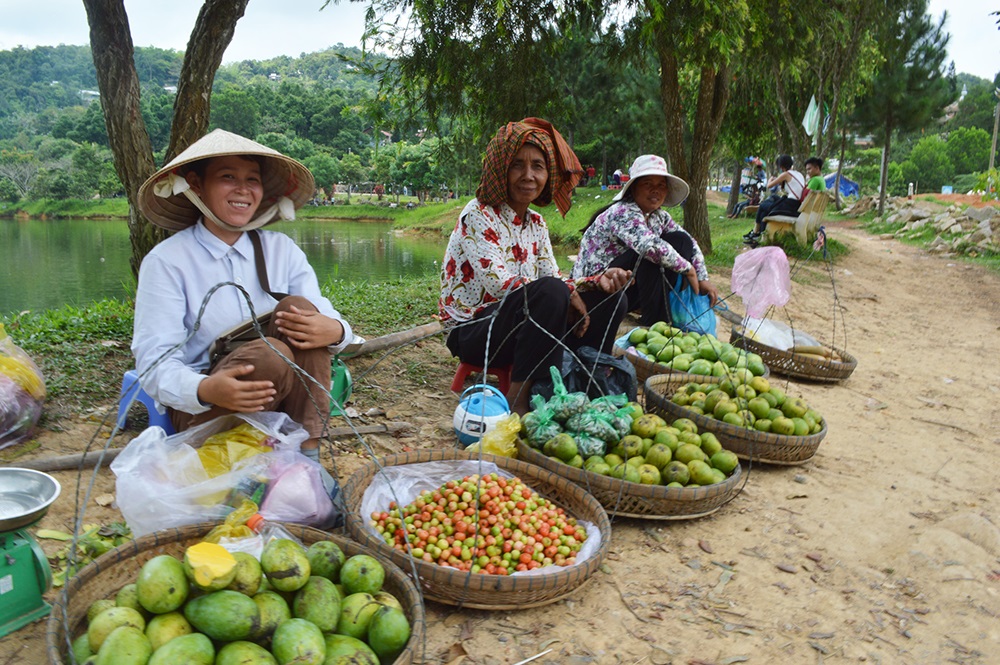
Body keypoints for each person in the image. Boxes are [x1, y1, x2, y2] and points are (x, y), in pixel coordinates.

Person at [132, 129, 354, 464]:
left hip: (285, 400)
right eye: (227, 177)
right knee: (272, 354)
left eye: (252, 179)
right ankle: (234, 454)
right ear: (195, 185)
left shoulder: (282, 251)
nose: (243, 189)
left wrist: (336, 330)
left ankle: (308, 454)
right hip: (209, 406)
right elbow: (154, 364)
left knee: (299, 310)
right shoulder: (167, 262)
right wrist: (204, 390)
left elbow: (322, 315)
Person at [439, 117, 631, 414]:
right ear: (500, 169)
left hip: (521, 320)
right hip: (475, 331)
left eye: (538, 166)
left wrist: (596, 282)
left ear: (547, 175)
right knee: (552, 293)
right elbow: (500, 285)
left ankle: (581, 381)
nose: (528, 175)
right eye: (517, 165)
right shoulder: (478, 214)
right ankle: (519, 405)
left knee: (612, 298)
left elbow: (551, 277)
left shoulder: (537, 224)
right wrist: (564, 291)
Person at [572, 154, 719, 327]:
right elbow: (648, 246)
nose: (655, 190)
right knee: (653, 252)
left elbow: (690, 242)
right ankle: (655, 321)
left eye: (661, 185)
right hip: (598, 288)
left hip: (625, 286)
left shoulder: (659, 217)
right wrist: (688, 269)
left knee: (680, 241)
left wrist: (702, 277)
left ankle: (659, 316)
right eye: (647, 184)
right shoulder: (623, 212)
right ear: (633, 188)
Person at [744, 154, 806, 246]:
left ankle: (756, 232)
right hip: (795, 204)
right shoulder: (798, 174)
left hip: (791, 206)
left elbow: (769, 186)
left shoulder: (786, 174)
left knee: (763, 207)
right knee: (772, 198)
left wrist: (771, 179)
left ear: (781, 166)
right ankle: (759, 234)